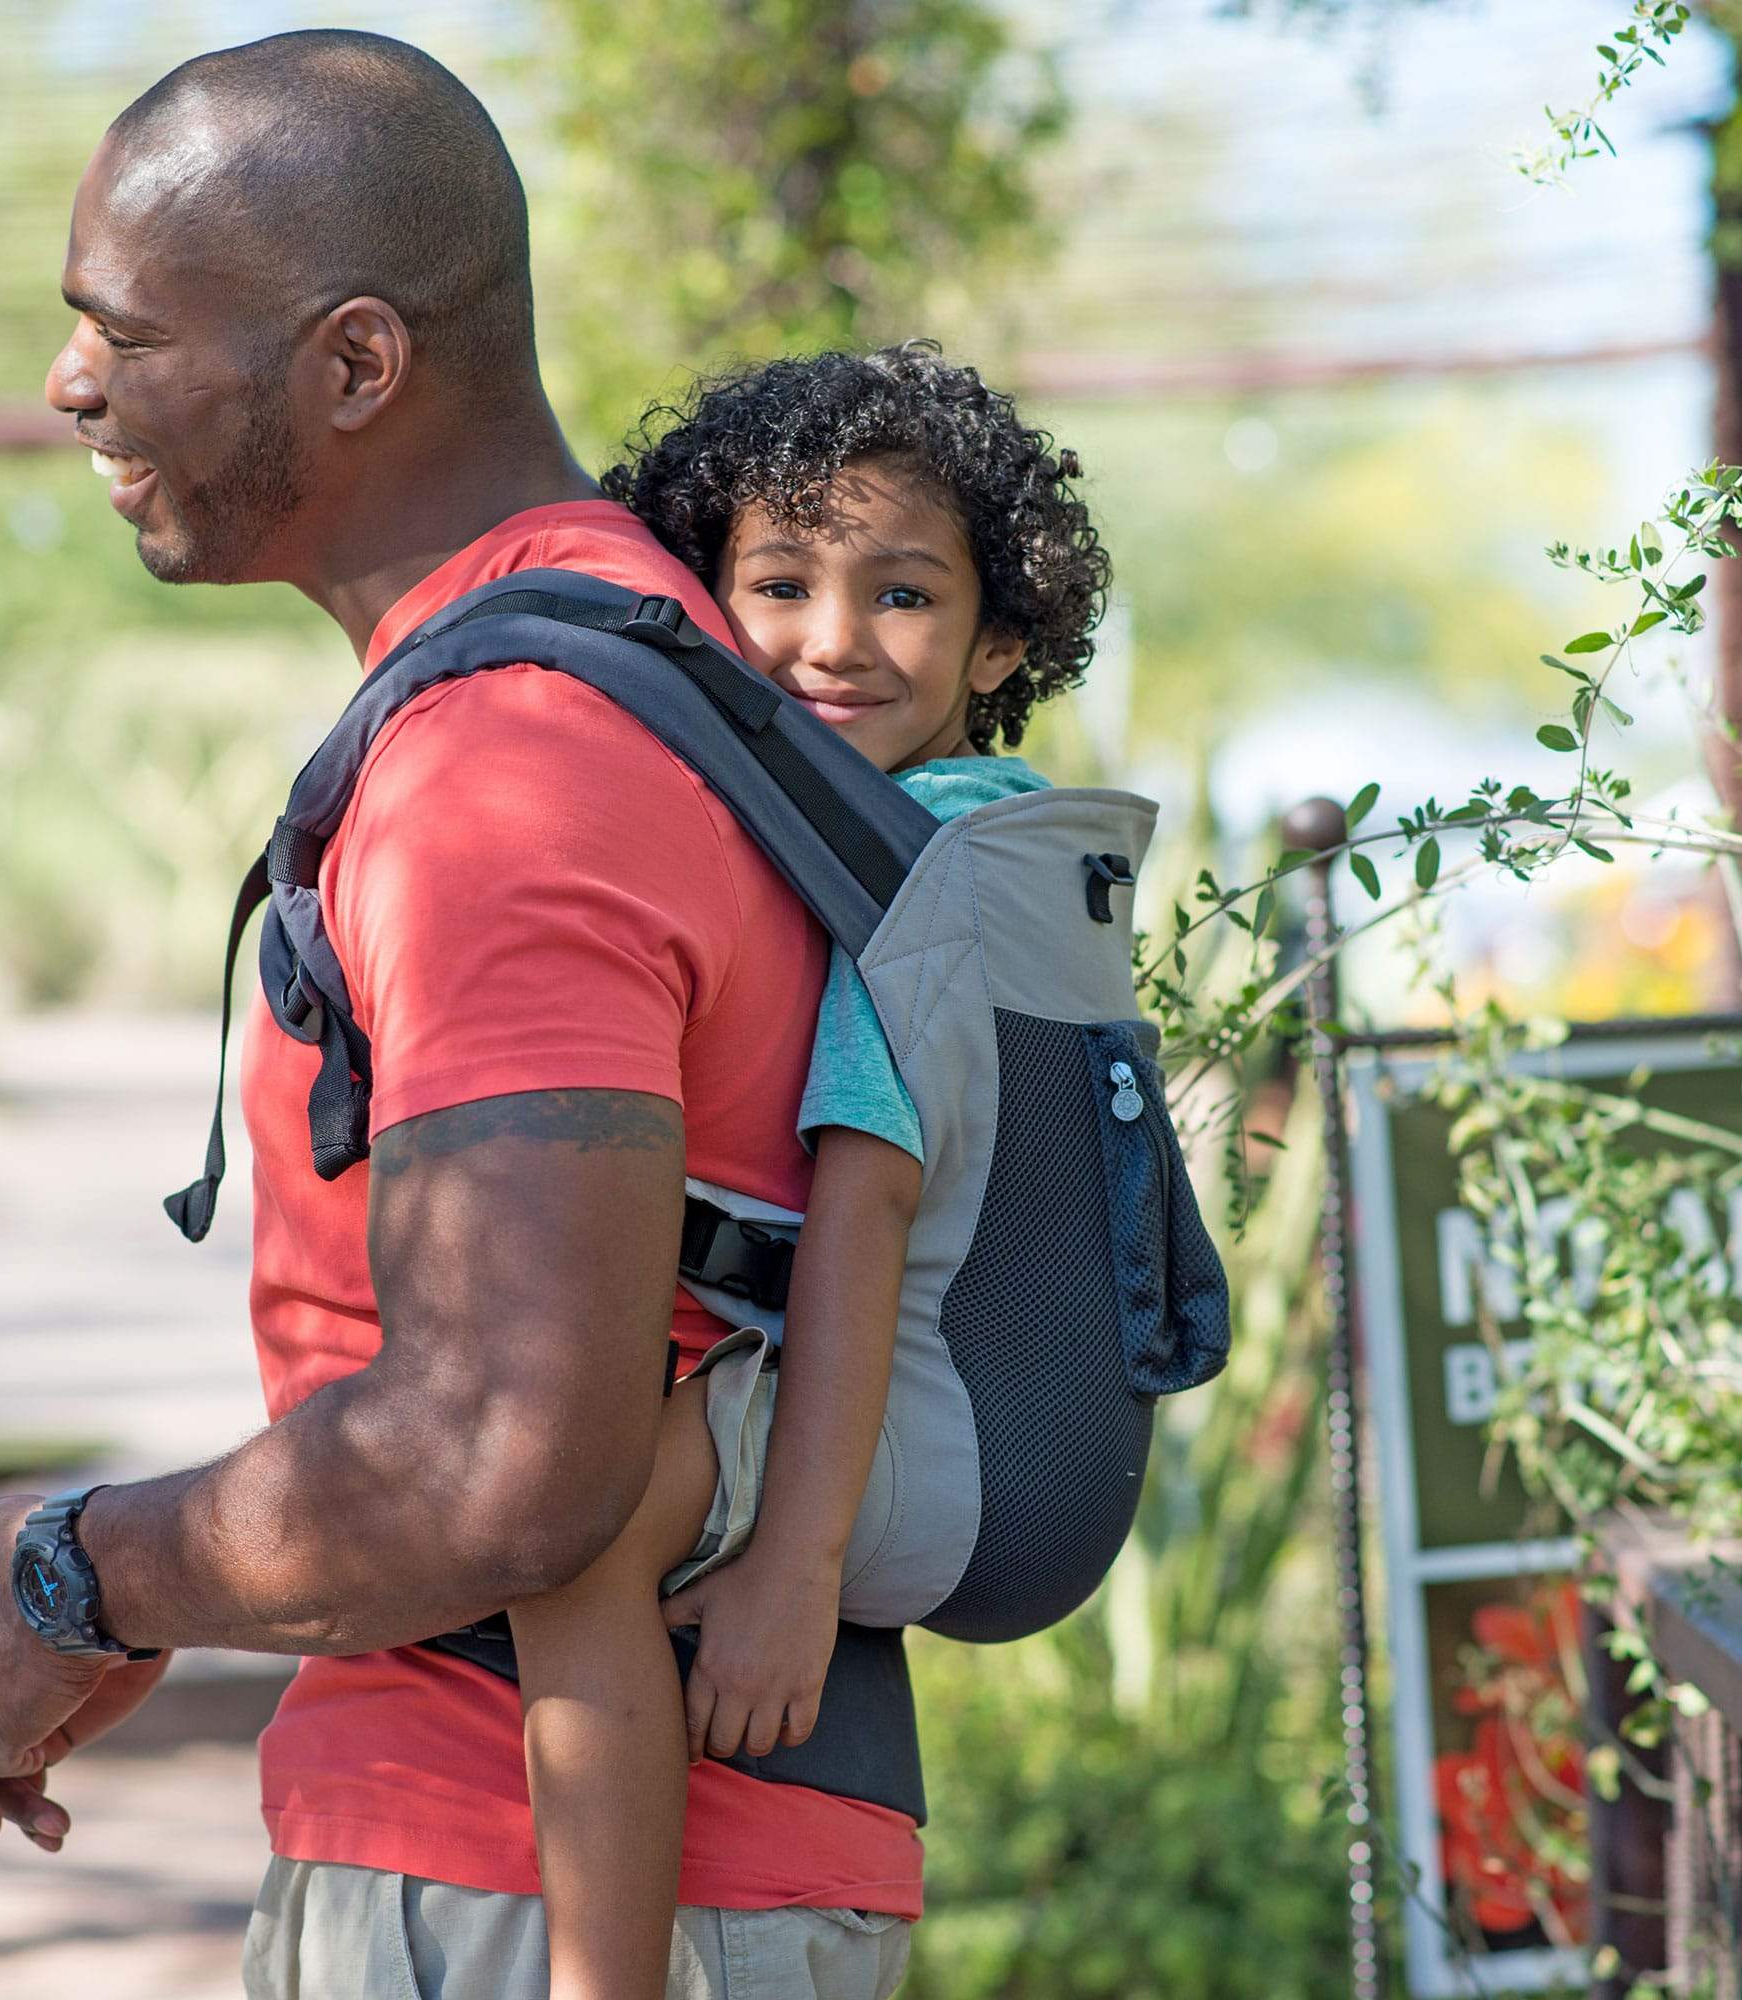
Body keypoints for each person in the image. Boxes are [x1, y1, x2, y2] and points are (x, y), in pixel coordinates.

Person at [0, 31, 926, 1998]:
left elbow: (507, 1453)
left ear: (354, 363)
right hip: (611, 1859)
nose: (73, 382)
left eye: (125, 330)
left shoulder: (509, 766)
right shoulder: (636, 660)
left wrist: (74, 1569)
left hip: (524, 1886)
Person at [503, 343, 1108, 2000]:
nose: (833, 640)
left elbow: (864, 1212)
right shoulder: (1005, 840)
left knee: (571, 1527)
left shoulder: (913, 877)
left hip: (902, 1433)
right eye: (778, 582)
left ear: (997, 639)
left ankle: (599, 1976)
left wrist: (794, 1571)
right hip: (978, 1423)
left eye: (901, 594)